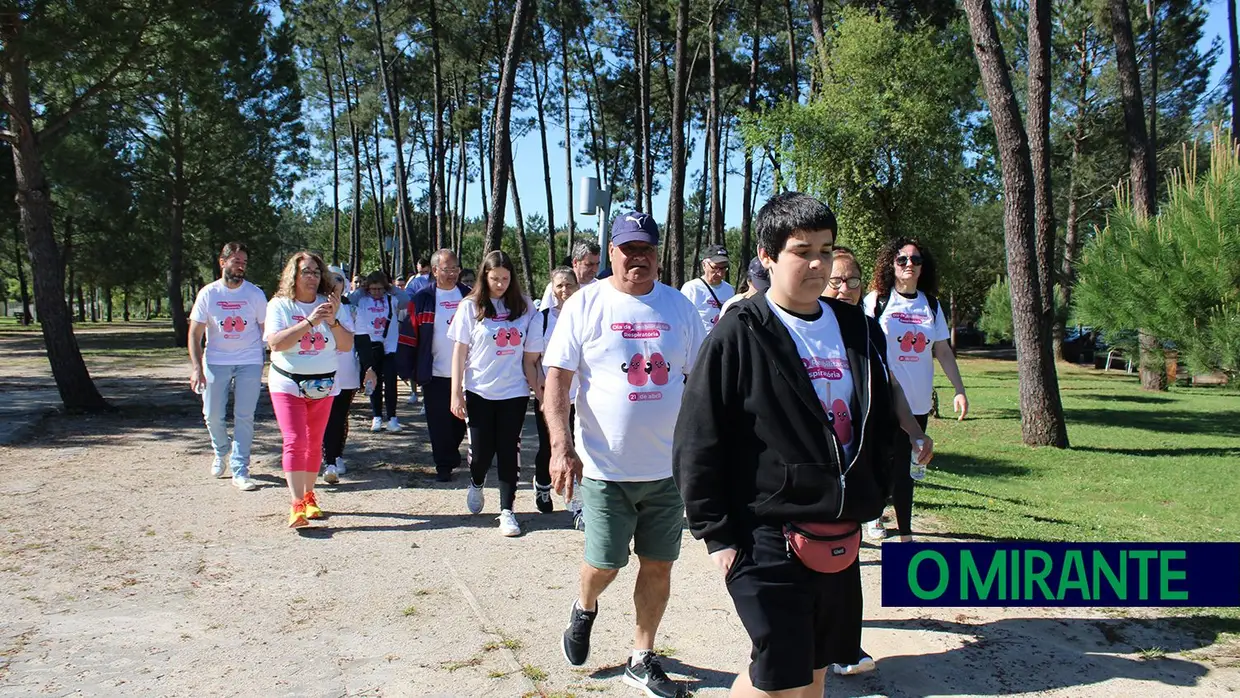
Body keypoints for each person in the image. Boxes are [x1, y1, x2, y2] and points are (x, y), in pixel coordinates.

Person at [673, 193, 932, 698]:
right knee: (778, 674)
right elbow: (698, 437)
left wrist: (905, 440)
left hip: (837, 531)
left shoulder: (856, 327)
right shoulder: (739, 332)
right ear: (767, 257)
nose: (818, 263)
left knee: (813, 668)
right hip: (765, 531)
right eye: (801, 250)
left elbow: (880, 396)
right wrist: (717, 536)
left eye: (826, 249)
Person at [545, 211, 705, 698]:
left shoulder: (680, 308)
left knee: (658, 565)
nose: (638, 257)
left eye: (647, 248)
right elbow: (557, 377)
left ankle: (642, 655)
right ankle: (585, 606)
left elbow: (701, 384)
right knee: (606, 564)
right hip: (604, 469)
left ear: (658, 252)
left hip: (666, 471)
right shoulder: (586, 304)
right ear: (611, 251)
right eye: (628, 248)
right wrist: (560, 446)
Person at [819, 245, 928, 677]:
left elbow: (891, 387)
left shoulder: (869, 331)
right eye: (836, 281)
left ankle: (845, 646)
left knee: (845, 553)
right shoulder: (796, 327)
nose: (844, 289)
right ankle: (805, 643)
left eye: (852, 281)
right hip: (807, 465)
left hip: (855, 461)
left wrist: (915, 431)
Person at [863, 237, 968, 543]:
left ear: (924, 267)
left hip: (919, 401)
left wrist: (959, 389)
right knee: (882, 460)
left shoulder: (931, 305)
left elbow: (943, 352)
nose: (910, 264)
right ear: (891, 266)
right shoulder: (876, 301)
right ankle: (874, 515)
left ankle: (906, 534)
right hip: (884, 399)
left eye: (916, 260)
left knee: (909, 466)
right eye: (902, 260)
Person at [448, 250, 540, 537]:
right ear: (484, 278)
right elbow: (459, 351)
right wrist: (456, 393)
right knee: (483, 452)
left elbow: (531, 355)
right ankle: (476, 482)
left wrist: (539, 387)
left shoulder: (525, 307)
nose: (499, 284)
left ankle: (507, 510)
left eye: (505, 278)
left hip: (513, 391)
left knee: (508, 450)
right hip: (479, 390)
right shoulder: (470, 306)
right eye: (494, 278)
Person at [264, 252, 353, 528]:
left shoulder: (330, 304)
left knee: (315, 443)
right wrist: (310, 322)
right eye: (306, 272)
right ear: (294, 275)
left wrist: (333, 320)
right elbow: (276, 343)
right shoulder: (279, 305)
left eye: (316, 272)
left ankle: (309, 494)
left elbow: (347, 344)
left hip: (324, 384)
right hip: (288, 383)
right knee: (295, 440)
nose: (312, 277)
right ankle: (296, 503)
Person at [187, 242, 267, 492]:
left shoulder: (255, 294)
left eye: (244, 261)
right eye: (236, 261)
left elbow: (267, 330)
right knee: (212, 415)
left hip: (249, 361)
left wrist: (270, 358)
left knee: (244, 416)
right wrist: (196, 368)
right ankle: (222, 450)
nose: (241, 266)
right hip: (216, 361)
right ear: (222, 263)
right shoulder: (209, 294)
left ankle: (240, 468)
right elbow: (195, 333)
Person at [404, 248, 471, 482]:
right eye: (446, 269)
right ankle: (443, 464)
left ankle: (451, 453)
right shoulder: (422, 299)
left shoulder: (469, 296)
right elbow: (409, 334)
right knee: (438, 421)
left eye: (455, 268)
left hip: (467, 372)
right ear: (434, 271)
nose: (452, 273)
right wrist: (408, 367)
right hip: (434, 371)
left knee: (459, 421)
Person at [524, 267, 581, 519]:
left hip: (582, 396)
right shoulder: (542, 320)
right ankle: (543, 485)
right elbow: (531, 360)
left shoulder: (586, 315)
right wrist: (540, 391)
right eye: (559, 285)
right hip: (551, 396)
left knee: (579, 446)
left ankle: (578, 500)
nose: (564, 290)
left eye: (569, 284)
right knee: (549, 446)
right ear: (552, 288)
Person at [322, 266, 376, 484]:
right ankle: (325, 456)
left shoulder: (352, 310)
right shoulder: (313, 306)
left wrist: (369, 368)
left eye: (338, 279)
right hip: (316, 372)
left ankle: (334, 458)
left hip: (346, 373)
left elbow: (363, 342)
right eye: (329, 278)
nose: (334, 283)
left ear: (344, 283)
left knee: (337, 416)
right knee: (321, 417)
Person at [355, 271, 404, 433]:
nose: (376, 292)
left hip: (390, 347)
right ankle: (376, 416)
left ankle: (392, 417)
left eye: (380, 289)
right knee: (373, 383)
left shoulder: (392, 299)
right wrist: (362, 289)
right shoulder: (362, 301)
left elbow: (407, 300)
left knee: (390, 383)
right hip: (371, 346)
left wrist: (391, 289)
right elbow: (351, 299)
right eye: (373, 289)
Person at [681, 244, 735, 333]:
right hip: (700, 344)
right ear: (704, 265)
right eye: (715, 268)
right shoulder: (691, 289)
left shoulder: (729, 290)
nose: (720, 273)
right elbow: (682, 320)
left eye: (724, 268)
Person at [538, 241, 600, 310]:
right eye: (589, 264)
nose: (595, 269)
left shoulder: (601, 289)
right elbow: (545, 316)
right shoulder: (555, 287)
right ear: (575, 262)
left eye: (597, 264)